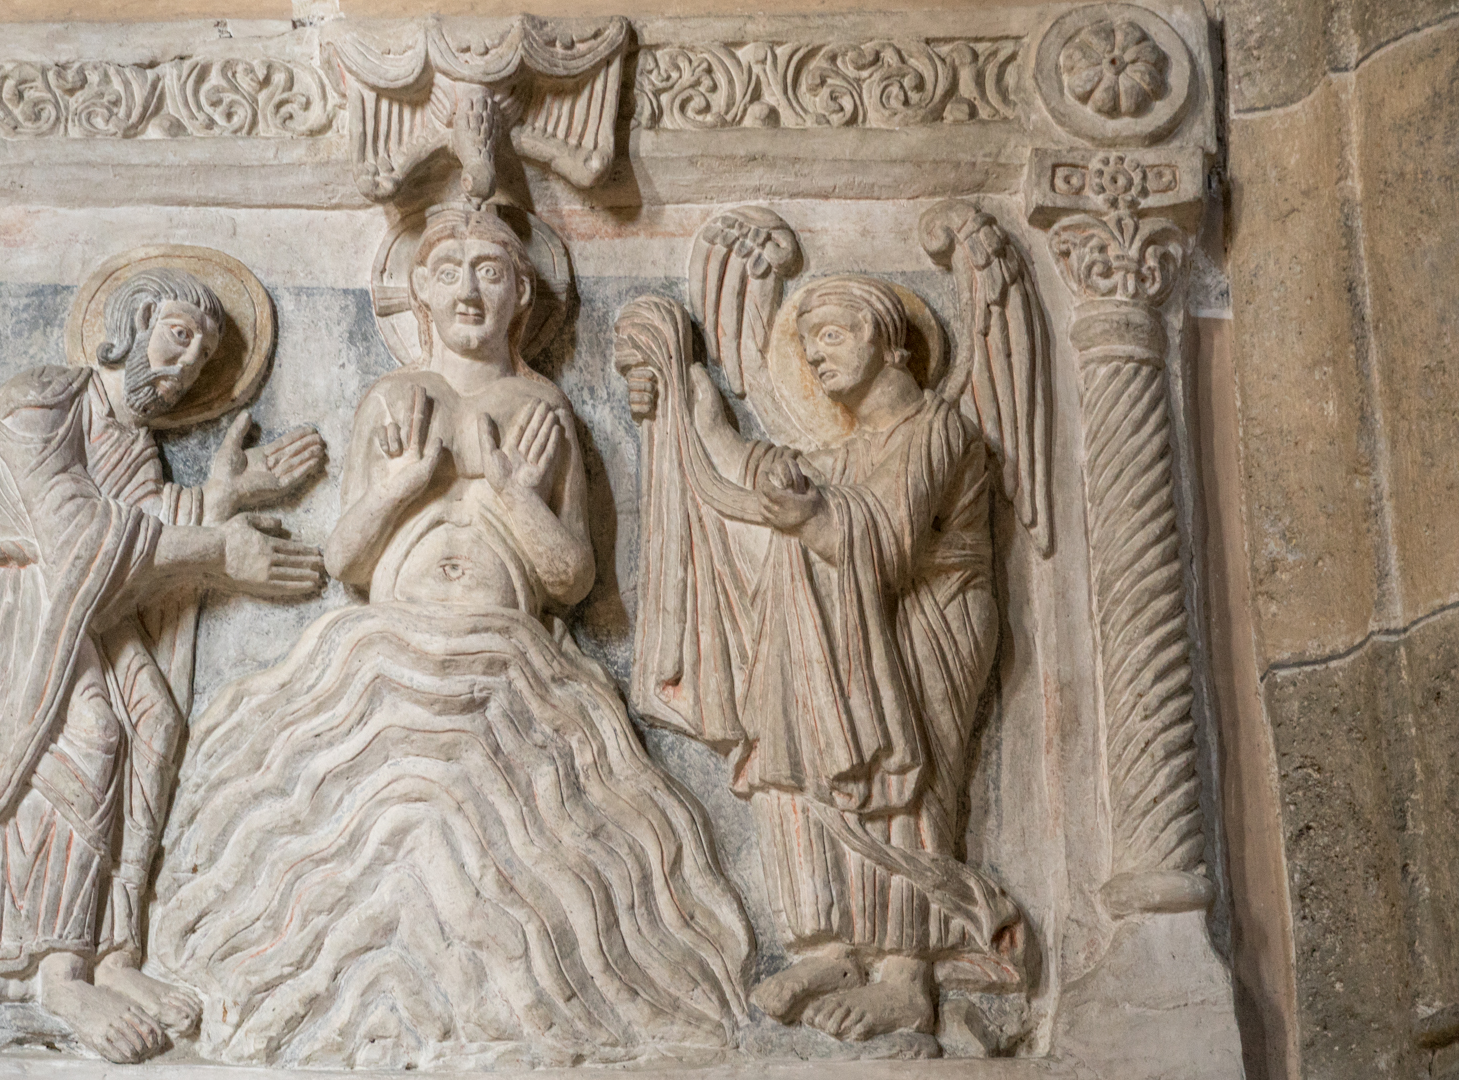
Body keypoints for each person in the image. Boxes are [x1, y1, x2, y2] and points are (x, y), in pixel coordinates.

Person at [149, 207, 753, 1069]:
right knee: (325, 835)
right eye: (448, 271)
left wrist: (509, 491)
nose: (470, 289)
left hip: (508, 660)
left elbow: (571, 578)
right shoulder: (393, 400)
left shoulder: (544, 409)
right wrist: (404, 483)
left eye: (492, 272)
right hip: (386, 651)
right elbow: (348, 561)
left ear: (524, 296)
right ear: (419, 294)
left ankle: (506, 1011)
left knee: (525, 867)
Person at [0, 267, 326, 1064]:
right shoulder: (36, 404)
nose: (186, 365)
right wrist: (219, 551)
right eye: (178, 337)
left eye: (202, 357)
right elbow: (79, 535)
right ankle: (58, 974)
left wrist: (224, 499)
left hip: (79, 610)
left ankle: (116, 952)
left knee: (154, 722)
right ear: (131, 322)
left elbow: (142, 529)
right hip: (15, 608)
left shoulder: (132, 447)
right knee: (90, 734)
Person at [618, 277, 1022, 1043]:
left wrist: (806, 515)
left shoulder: (936, 429)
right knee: (797, 757)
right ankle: (831, 950)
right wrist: (684, 392)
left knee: (899, 785)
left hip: (929, 624)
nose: (817, 356)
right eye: (808, 344)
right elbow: (745, 472)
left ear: (889, 341)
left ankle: (905, 976)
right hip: (835, 636)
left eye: (833, 336)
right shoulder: (836, 454)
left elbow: (888, 545)